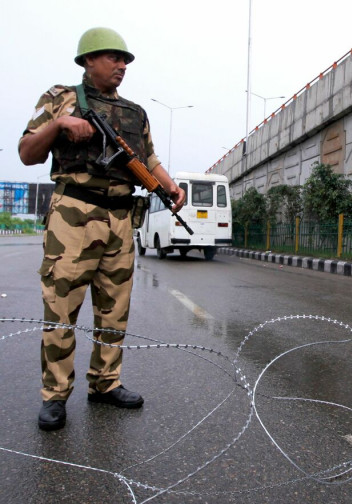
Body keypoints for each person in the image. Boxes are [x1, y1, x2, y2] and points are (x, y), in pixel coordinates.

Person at [18, 27, 185, 431]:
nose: (122, 65)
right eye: (113, 57)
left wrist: (169, 185)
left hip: (121, 217)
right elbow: (26, 152)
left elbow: (147, 158)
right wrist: (59, 126)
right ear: (88, 60)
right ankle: (55, 396)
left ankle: (105, 384)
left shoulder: (134, 113)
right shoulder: (61, 98)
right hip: (74, 212)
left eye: (125, 60)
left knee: (114, 310)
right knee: (61, 308)